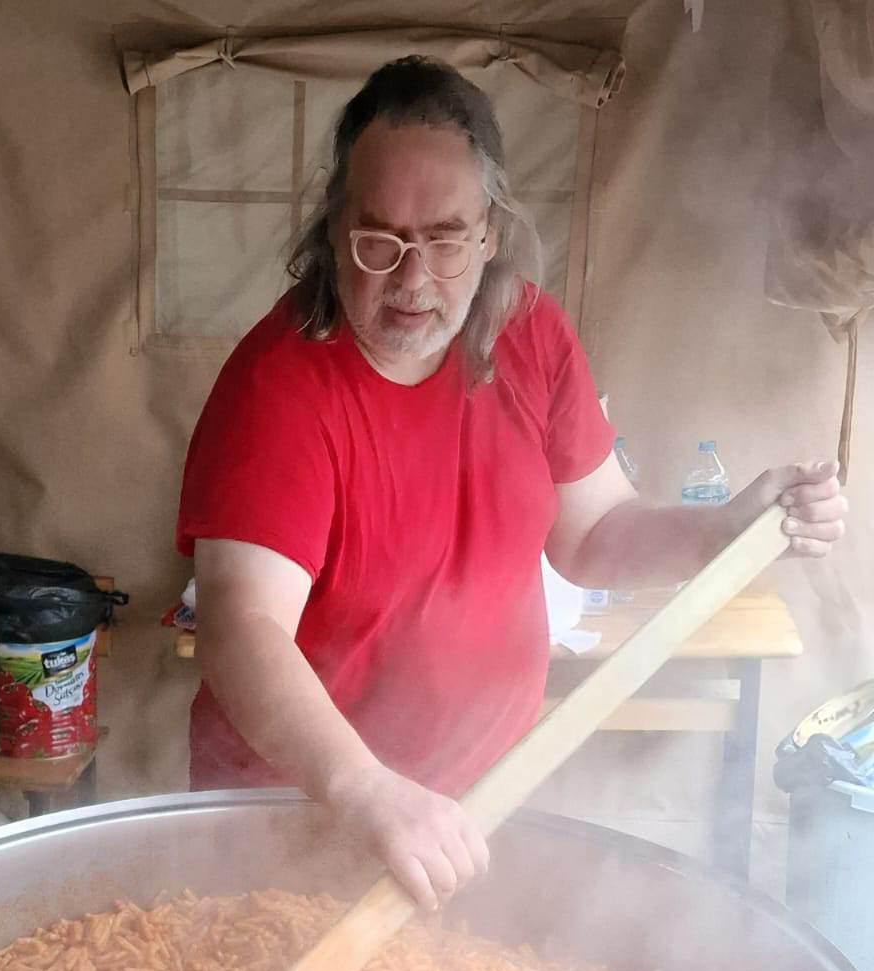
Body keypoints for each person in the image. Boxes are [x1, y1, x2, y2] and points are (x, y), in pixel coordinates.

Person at [175, 56, 847, 910]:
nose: (413, 280)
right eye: (379, 240)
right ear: (334, 228)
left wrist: (726, 531)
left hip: (474, 811)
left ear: (491, 231)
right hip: (294, 823)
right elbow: (243, 633)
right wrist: (369, 792)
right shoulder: (278, 389)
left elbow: (596, 535)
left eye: (447, 238)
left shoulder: (531, 335)